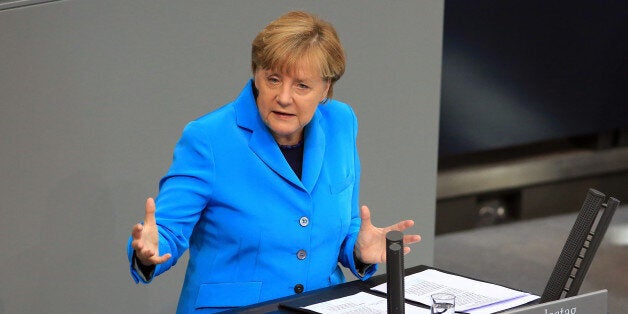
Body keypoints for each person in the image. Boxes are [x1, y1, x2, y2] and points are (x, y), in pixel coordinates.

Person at [127, 10, 421, 313]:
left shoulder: (340, 123)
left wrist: (358, 250)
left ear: (325, 90)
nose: (283, 97)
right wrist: (150, 250)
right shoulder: (208, 138)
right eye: (273, 79)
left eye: (302, 86)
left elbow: (344, 224)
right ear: (256, 75)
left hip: (321, 305)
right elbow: (167, 231)